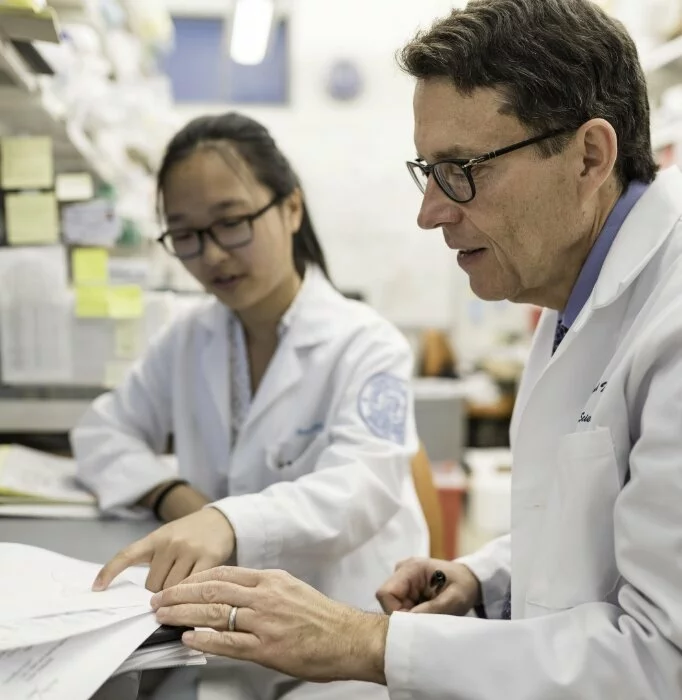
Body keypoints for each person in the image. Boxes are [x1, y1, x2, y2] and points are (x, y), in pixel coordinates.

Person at [147, 0, 682, 697]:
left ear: (589, 155)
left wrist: (367, 641)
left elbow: (662, 660)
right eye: (425, 170)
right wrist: (483, 581)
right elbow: (595, 543)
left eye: (462, 168)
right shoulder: (571, 298)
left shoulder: (667, 326)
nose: (430, 210)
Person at [72, 112, 428, 699]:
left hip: (345, 649)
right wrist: (174, 497)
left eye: (231, 223)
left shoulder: (365, 343)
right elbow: (102, 432)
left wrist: (227, 521)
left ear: (291, 208)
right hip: (218, 641)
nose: (211, 256)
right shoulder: (189, 340)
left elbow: (360, 489)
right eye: (185, 235)